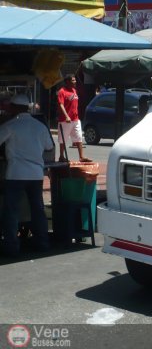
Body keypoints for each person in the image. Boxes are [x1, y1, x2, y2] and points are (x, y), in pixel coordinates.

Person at [0, 94, 54, 256]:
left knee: (11, 211)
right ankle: (42, 242)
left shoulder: (11, 125)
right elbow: (49, 146)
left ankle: (11, 246)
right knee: (38, 210)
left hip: (16, 173)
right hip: (36, 174)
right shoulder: (40, 126)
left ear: (14, 108)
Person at [57, 74, 91, 162]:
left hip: (75, 119)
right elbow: (61, 104)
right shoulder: (62, 91)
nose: (75, 81)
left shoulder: (74, 90)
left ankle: (81, 157)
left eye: (75, 80)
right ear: (67, 82)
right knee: (63, 139)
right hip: (65, 121)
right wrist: (66, 116)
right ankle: (61, 156)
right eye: (73, 80)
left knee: (79, 137)